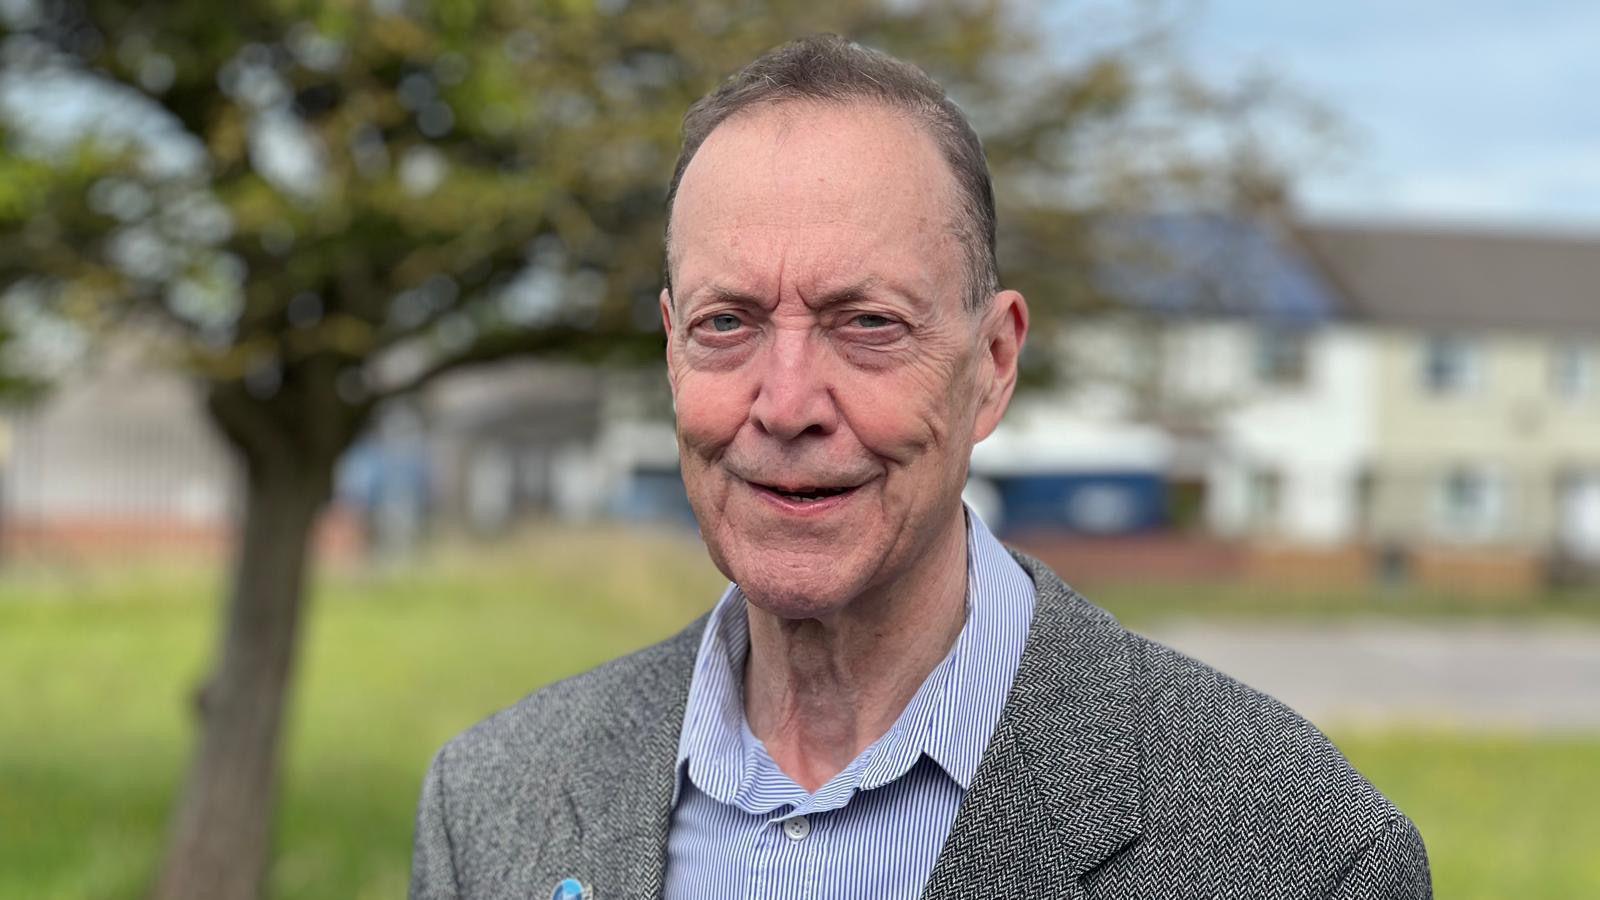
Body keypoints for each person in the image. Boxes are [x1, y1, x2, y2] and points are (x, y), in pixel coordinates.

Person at [410, 35, 1431, 900]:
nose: (788, 404)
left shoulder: (1298, 855)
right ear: (673, 347)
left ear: (991, 366)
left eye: (867, 324)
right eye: (729, 324)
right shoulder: (493, 806)